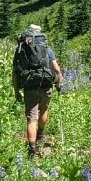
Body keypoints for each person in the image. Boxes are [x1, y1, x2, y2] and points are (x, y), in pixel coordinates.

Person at [12, 24, 64, 157]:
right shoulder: (46, 48)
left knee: (31, 119)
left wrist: (16, 91)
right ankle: (41, 134)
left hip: (30, 85)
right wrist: (59, 83)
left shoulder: (21, 49)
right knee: (44, 109)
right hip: (46, 83)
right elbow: (57, 69)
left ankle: (32, 150)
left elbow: (15, 73)